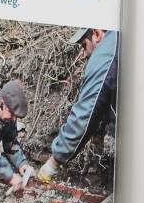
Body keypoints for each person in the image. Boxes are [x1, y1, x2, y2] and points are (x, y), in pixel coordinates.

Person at [38, 27, 118, 182]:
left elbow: (86, 114)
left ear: (96, 34)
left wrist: (53, 163)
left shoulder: (105, 54)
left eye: (84, 45)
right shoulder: (119, 42)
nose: (84, 54)